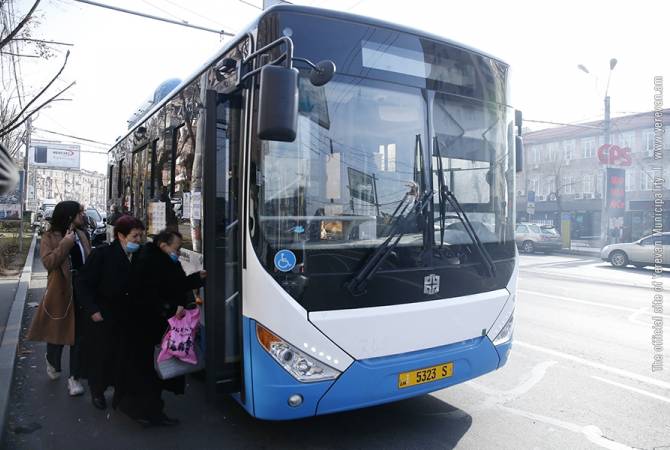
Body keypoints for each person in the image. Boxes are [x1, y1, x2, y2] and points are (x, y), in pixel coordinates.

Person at [114, 229, 206, 427]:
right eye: (177, 248)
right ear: (163, 245)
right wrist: (170, 308)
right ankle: (146, 412)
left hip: (157, 326)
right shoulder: (148, 262)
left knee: (150, 372)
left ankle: (147, 410)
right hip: (144, 327)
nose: (179, 252)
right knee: (146, 372)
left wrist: (198, 278)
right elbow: (146, 295)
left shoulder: (164, 261)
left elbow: (177, 285)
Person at [76, 215, 145, 410]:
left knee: (124, 356)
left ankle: (123, 392)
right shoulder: (102, 255)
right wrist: (92, 309)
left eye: (141, 235)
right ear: (121, 236)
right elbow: (82, 283)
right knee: (102, 356)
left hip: (128, 316)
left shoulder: (141, 255)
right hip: (104, 315)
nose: (139, 240)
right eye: (135, 236)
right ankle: (97, 391)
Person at [27, 201, 91, 396]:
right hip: (61, 291)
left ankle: (75, 378)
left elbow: (88, 261)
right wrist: (66, 243)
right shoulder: (50, 236)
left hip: (81, 290)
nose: (83, 215)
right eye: (79, 212)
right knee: (58, 334)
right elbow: (48, 262)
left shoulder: (82, 234)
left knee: (80, 336)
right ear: (69, 216)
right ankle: (52, 360)